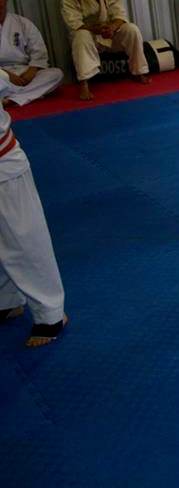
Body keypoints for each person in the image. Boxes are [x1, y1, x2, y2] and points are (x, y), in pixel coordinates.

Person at [0, 76, 67, 347]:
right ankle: (6, 300)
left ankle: (51, 313)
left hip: (3, 166)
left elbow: (6, 81)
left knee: (24, 239)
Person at [60, 0, 150, 101]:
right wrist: (95, 29)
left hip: (108, 33)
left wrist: (112, 27)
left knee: (132, 29)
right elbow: (74, 23)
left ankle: (139, 72)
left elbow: (120, 15)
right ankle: (84, 84)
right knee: (81, 35)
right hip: (89, 36)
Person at [0, 0, 62, 106]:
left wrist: (31, 71)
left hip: (24, 71)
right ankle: (27, 94)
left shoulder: (22, 23)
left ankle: (11, 98)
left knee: (56, 74)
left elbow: (39, 52)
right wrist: (8, 75)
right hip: (2, 74)